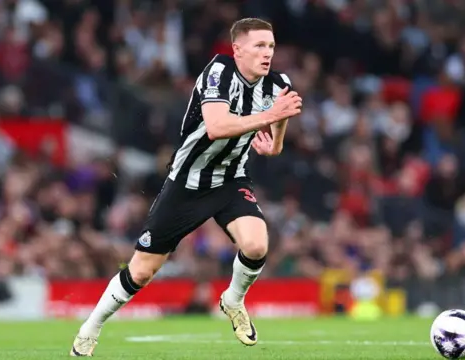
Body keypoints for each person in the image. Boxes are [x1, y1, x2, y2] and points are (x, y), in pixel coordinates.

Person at [70, 18, 302, 356]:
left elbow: (279, 118)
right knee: (142, 271)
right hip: (187, 183)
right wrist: (270, 118)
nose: (267, 53)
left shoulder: (277, 83)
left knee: (256, 244)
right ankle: (91, 327)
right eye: (259, 46)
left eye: (271, 46)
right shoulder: (219, 72)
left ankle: (233, 300)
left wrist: (275, 142)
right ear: (237, 49)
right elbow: (216, 126)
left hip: (230, 179)